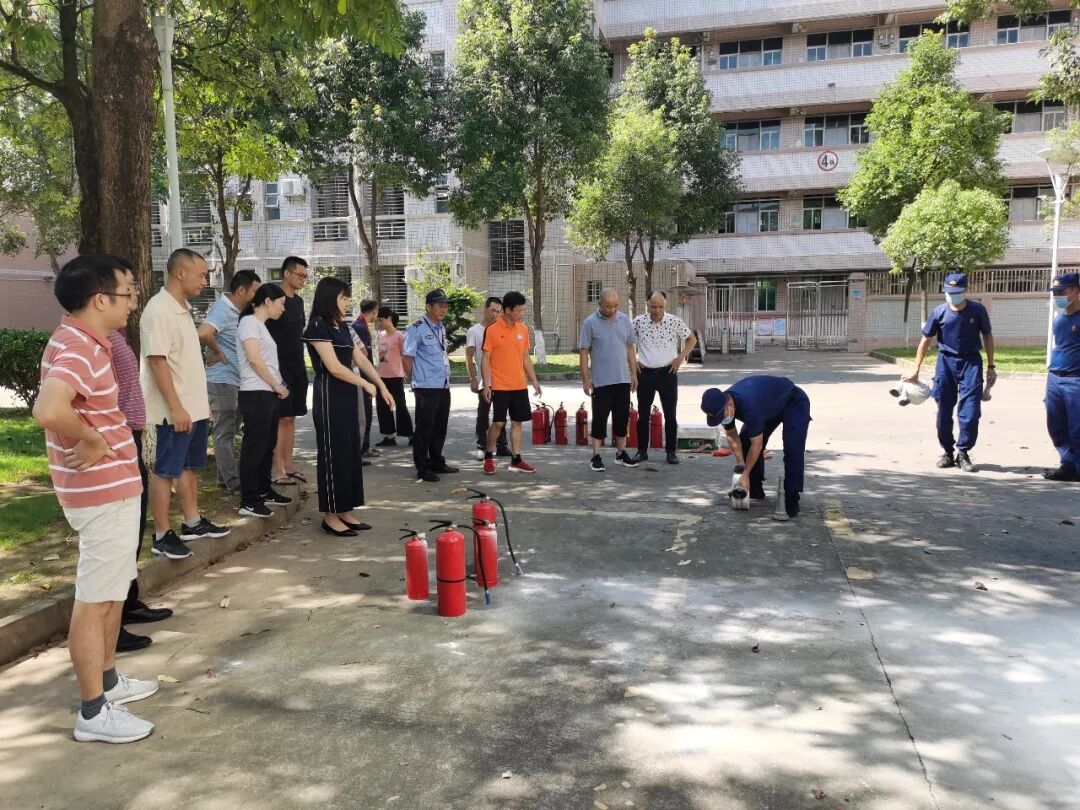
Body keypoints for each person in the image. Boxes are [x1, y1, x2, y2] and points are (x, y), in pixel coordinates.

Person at [34, 254, 159, 744]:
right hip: (101, 492)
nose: (133, 301)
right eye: (127, 292)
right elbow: (49, 408)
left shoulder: (87, 342)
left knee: (112, 594)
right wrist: (90, 438)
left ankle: (108, 680)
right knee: (95, 601)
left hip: (114, 487)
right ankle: (92, 711)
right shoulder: (78, 348)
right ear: (100, 299)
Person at [141, 249, 230, 561]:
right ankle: (162, 534)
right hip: (173, 412)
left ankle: (192, 522)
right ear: (180, 273)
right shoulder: (158, 310)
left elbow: (184, 362)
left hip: (194, 408)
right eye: (201, 274)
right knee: (165, 471)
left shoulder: (182, 308)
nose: (205, 280)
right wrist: (176, 407)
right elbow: (157, 361)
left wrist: (200, 403)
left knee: (190, 467)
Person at [106, 259, 172, 654]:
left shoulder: (113, 336)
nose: (134, 299)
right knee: (116, 539)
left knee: (132, 529)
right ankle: (111, 625)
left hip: (128, 437)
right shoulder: (94, 342)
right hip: (115, 443)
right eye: (128, 290)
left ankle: (128, 602)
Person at [304, 278, 394, 536]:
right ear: (329, 298)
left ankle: (345, 510)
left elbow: (361, 360)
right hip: (329, 396)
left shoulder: (342, 326)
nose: (347, 302)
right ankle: (330, 515)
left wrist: (381, 386)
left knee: (349, 452)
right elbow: (333, 367)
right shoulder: (318, 325)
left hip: (347, 394)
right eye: (343, 298)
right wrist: (364, 385)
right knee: (333, 454)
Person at [903, 272, 995, 473]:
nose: (952, 295)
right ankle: (947, 451)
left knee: (971, 412)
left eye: (956, 292)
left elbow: (987, 336)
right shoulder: (939, 312)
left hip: (971, 362)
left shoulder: (977, 310)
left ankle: (963, 452)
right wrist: (916, 369)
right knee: (943, 411)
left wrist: (991, 366)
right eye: (948, 292)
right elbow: (925, 340)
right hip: (945, 363)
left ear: (965, 290)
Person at [701, 376, 811, 520]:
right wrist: (741, 465)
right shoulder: (724, 403)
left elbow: (757, 444)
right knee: (746, 441)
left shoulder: (749, 406)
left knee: (793, 449)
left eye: (722, 416)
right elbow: (731, 434)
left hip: (793, 401)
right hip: (767, 406)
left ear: (729, 405)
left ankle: (792, 498)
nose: (722, 419)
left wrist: (745, 474)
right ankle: (754, 488)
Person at [197, 270, 261, 493]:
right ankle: (233, 482)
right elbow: (203, 332)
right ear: (241, 290)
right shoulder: (223, 308)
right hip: (222, 379)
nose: (256, 296)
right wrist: (218, 352)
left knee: (229, 430)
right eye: (254, 291)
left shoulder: (238, 311)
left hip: (234, 379)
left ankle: (224, 479)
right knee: (224, 432)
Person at [236, 284, 293, 519]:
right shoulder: (249, 322)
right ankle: (249, 500)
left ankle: (263, 489)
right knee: (255, 446)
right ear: (268, 301)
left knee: (268, 444)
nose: (283, 308)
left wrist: (278, 385)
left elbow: (267, 362)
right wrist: (276, 385)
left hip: (268, 392)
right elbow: (254, 360)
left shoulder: (262, 326)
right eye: (281, 303)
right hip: (255, 392)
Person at [632, 290, 697, 465]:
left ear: (665, 305)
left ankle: (671, 452)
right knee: (643, 415)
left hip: (667, 372)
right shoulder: (638, 322)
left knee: (670, 414)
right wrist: (632, 362)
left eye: (660, 307)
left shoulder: (674, 321)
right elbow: (626, 341)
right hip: (645, 372)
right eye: (653, 307)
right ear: (648, 305)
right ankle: (641, 451)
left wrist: (680, 357)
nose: (657, 310)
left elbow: (691, 339)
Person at [579, 288, 638, 472]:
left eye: (615, 306)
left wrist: (634, 374)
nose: (612, 309)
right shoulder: (590, 323)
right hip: (601, 381)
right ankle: (596, 456)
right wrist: (586, 379)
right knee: (599, 420)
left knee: (622, 419)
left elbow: (630, 348)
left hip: (622, 379)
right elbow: (584, 352)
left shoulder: (624, 320)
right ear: (599, 304)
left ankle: (621, 453)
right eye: (608, 306)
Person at [481, 290, 541, 474]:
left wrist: (534, 380)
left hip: (519, 385)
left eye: (524, 310)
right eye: (519, 310)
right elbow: (485, 358)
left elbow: (525, 357)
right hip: (500, 385)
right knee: (498, 423)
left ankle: (516, 459)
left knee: (517, 422)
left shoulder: (523, 329)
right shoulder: (492, 330)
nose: (522, 313)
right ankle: (488, 456)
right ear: (507, 310)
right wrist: (487, 384)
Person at [403, 289, 459, 483]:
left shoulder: (441, 327)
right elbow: (407, 358)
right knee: (424, 429)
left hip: (443, 385)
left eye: (446, 305)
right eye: (440, 305)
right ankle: (423, 467)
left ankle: (436, 461)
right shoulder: (416, 328)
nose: (444, 309)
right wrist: (414, 380)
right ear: (428, 307)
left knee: (440, 427)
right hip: (426, 386)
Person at [267, 256, 309, 485]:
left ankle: (289, 462)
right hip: (277, 368)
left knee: (291, 417)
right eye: (300, 275)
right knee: (280, 419)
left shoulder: (299, 302)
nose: (303, 279)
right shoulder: (272, 298)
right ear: (286, 273)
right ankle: (277, 467)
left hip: (297, 366)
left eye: (305, 276)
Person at [1044, 272, 1080, 481]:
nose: (1057, 296)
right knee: (1056, 425)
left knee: (1077, 428)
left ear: (1075, 291)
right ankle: (1068, 465)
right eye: (1055, 293)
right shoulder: (1060, 319)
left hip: (1075, 380)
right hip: (1055, 378)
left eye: (1061, 292)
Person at [466, 297, 509, 458]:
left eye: (498, 311)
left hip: (502, 380)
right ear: (485, 309)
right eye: (492, 310)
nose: (495, 314)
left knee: (501, 415)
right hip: (484, 380)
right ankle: (481, 446)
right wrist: (472, 378)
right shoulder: (474, 331)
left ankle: (502, 445)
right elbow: (469, 356)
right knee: (483, 414)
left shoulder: (502, 329)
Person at [373, 306, 414, 446]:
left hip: (396, 376)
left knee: (400, 406)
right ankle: (389, 437)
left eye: (381, 320)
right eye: (378, 321)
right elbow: (379, 355)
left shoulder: (400, 336)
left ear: (389, 319)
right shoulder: (380, 335)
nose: (379, 323)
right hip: (381, 376)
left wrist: (408, 373)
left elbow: (406, 356)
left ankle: (410, 435)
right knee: (383, 407)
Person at [352, 299, 379, 458]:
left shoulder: (361, 325)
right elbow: (363, 356)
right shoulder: (359, 327)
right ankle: (363, 447)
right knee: (365, 413)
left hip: (365, 374)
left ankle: (365, 445)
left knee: (366, 412)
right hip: (363, 375)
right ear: (374, 310)